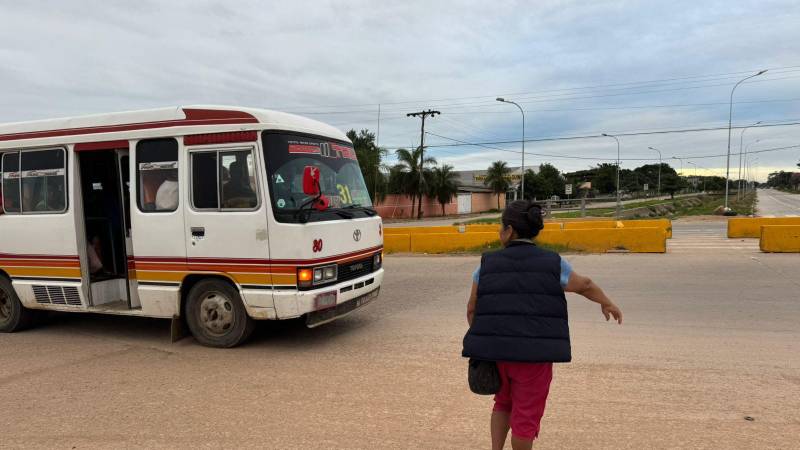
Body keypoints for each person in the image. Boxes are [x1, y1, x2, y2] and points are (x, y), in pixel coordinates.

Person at [463, 200, 623, 450]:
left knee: (502, 403)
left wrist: (485, 339)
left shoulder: (486, 263)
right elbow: (585, 285)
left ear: (509, 231)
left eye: (500, 227)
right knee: (525, 416)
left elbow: (472, 307)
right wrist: (606, 302)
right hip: (533, 360)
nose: (499, 232)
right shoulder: (552, 262)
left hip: (497, 354)